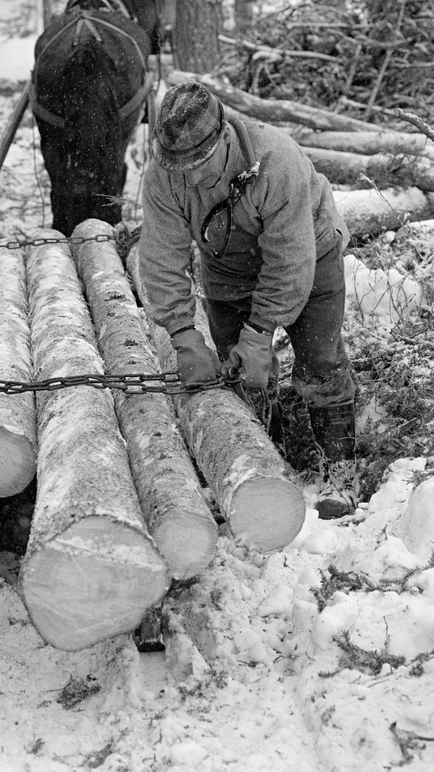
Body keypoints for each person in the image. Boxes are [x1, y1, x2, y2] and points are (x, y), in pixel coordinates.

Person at [138, 80, 359, 519]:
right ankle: (262, 456)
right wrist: (183, 335)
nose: (192, 177)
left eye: (200, 164)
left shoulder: (276, 162)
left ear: (223, 138)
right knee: (239, 373)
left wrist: (261, 332)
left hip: (310, 252)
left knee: (319, 359)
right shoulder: (164, 176)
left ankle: (341, 468)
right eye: (180, 167)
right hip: (226, 263)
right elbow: (162, 257)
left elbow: (290, 263)